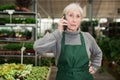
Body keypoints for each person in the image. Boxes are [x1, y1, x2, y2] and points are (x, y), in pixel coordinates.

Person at [33, 3, 102, 80]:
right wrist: (58, 31)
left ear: (80, 20)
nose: (74, 20)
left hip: (84, 77)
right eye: (71, 15)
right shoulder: (58, 37)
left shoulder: (87, 37)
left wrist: (95, 65)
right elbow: (37, 47)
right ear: (64, 18)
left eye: (78, 16)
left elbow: (98, 53)